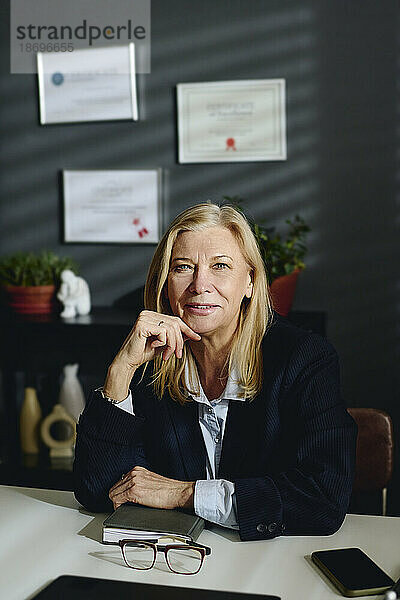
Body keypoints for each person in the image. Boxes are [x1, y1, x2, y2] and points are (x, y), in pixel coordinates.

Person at [73, 202, 357, 542]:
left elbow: (323, 500)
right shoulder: (147, 361)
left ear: (250, 282)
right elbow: (98, 490)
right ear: (165, 283)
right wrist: (120, 371)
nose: (199, 284)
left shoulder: (306, 360)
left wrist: (185, 493)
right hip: (172, 558)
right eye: (182, 268)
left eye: (220, 266)